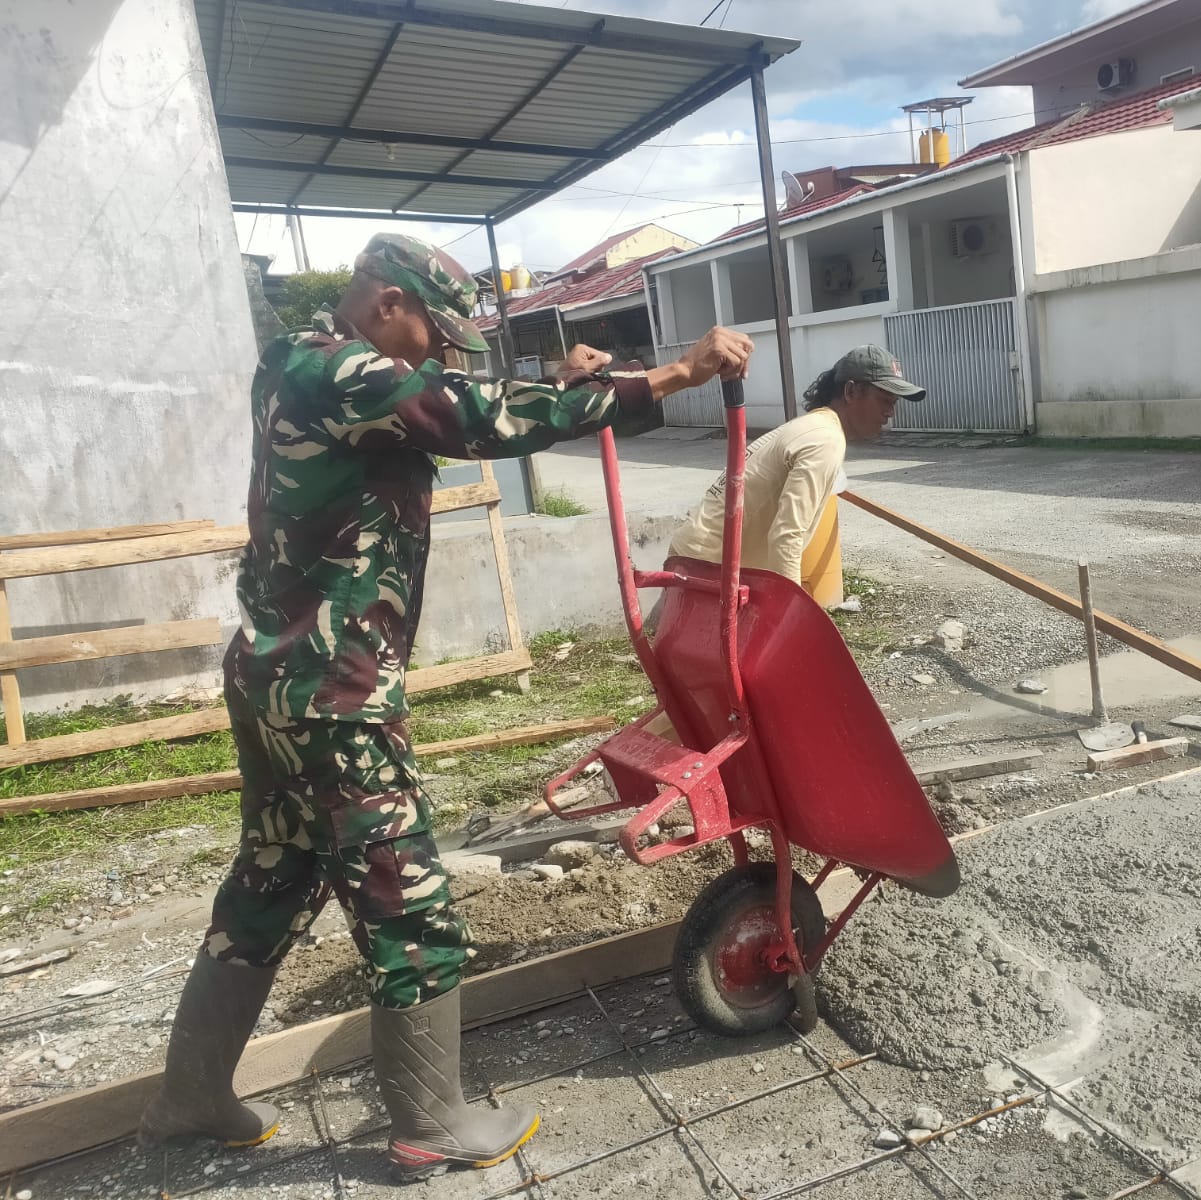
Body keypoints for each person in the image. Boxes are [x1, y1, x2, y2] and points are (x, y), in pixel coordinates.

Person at [137, 233, 752, 1180]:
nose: (437, 352)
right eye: (431, 331)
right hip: (335, 689)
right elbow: (472, 417)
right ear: (385, 305)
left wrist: (561, 376)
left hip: (274, 680)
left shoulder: (305, 361)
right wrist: (673, 374)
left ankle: (191, 1096)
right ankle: (430, 1120)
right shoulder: (348, 368)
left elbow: (452, 406)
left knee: (271, 879)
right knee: (405, 893)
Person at [667, 345, 924, 588]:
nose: (890, 412)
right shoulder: (826, 439)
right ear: (851, 392)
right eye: (884, 400)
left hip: (693, 558)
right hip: (705, 570)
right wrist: (789, 612)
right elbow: (787, 536)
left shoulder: (812, 427)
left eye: (894, 403)